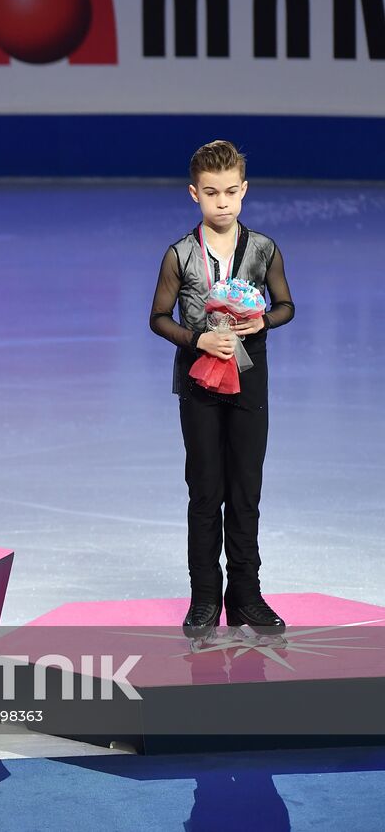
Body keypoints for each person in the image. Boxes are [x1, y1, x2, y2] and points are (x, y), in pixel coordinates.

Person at [149, 140, 294, 638]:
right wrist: (198, 338)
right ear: (195, 194)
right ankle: (206, 598)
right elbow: (157, 318)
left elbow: (286, 305)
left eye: (231, 191)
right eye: (211, 193)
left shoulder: (264, 249)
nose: (223, 202)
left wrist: (262, 324)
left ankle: (247, 598)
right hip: (200, 387)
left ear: (244, 190)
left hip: (250, 383)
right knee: (206, 492)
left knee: (246, 493)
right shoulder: (181, 255)